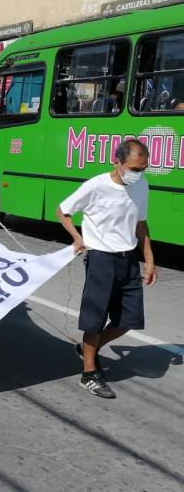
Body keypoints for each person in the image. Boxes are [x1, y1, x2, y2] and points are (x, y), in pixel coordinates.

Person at [56, 139, 157, 399]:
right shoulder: (97, 186)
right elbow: (63, 210)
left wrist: (149, 260)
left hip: (128, 259)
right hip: (101, 257)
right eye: (134, 168)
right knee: (95, 318)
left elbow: (141, 224)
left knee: (128, 320)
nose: (138, 174)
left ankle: (88, 349)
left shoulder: (141, 185)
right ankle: (89, 372)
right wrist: (78, 238)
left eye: (143, 168)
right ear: (117, 162)